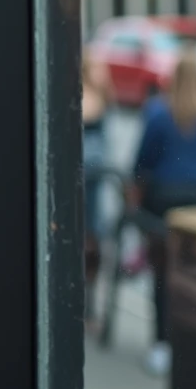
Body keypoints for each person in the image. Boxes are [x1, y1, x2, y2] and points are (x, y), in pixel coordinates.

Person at [128, 49, 196, 376]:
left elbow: (143, 161)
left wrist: (135, 198)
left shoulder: (159, 111)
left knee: (163, 274)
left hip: (165, 198)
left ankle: (162, 345)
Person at [80, 47, 114, 301]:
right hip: (82, 177)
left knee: (94, 237)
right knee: (86, 235)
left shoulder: (101, 95)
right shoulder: (84, 97)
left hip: (94, 178)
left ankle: (89, 299)